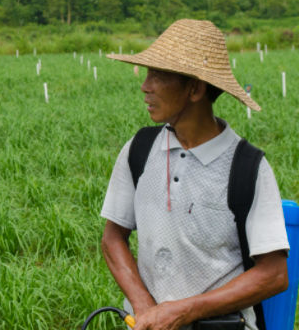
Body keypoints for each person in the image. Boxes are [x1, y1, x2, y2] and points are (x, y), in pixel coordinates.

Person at [100, 19, 289, 330]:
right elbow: (112, 237)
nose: (145, 86)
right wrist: (144, 305)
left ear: (196, 88)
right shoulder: (140, 148)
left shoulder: (247, 167)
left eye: (158, 76)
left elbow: (273, 274)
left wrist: (185, 311)